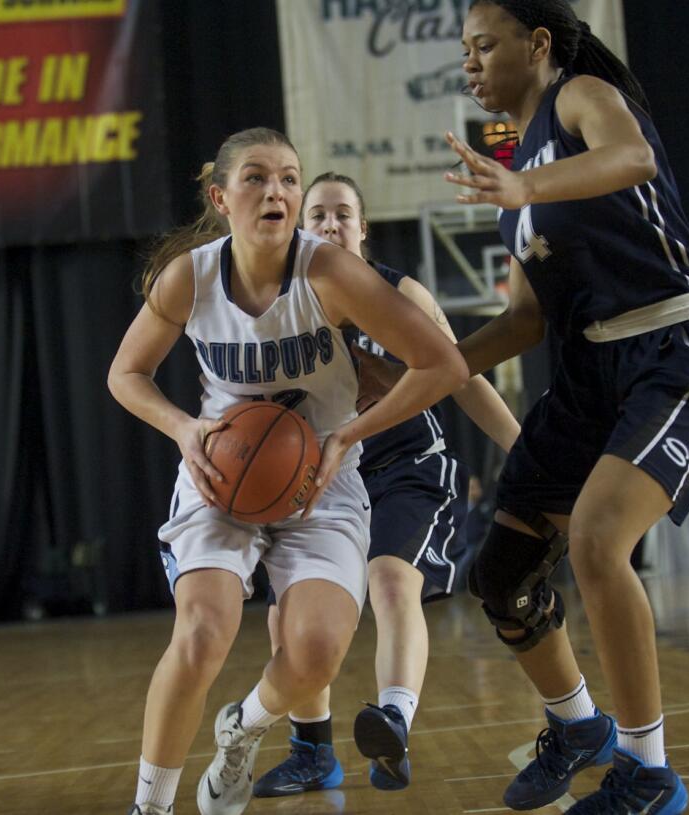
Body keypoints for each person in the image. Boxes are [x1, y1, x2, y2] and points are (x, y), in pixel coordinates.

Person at [425, 2, 689, 812]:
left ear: (536, 45)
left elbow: (632, 156)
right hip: (588, 371)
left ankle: (648, 773)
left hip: (676, 346)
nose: (470, 63)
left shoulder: (580, 95)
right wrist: (423, 366)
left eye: (484, 45)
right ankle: (576, 725)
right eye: (463, 51)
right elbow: (526, 320)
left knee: (601, 541)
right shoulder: (515, 194)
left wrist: (524, 181)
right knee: (501, 575)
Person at [108, 127, 468, 815]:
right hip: (222, 475)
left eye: (289, 178)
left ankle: (241, 730)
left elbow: (443, 365)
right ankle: (149, 807)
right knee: (203, 630)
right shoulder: (190, 276)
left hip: (323, 481)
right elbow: (125, 373)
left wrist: (350, 435)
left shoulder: (329, 271)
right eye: (256, 177)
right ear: (220, 196)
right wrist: (184, 428)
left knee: (319, 651)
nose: (276, 190)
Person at [252, 172, 520, 798]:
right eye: (316, 215)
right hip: (322, 476)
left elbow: (465, 376)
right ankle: (311, 750)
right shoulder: (283, 304)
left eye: (343, 214)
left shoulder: (399, 293)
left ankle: (393, 716)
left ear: (363, 229)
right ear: (299, 228)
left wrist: (523, 450)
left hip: (405, 464)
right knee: (289, 616)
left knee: (391, 579)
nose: (329, 225)